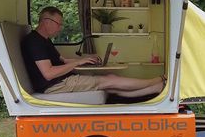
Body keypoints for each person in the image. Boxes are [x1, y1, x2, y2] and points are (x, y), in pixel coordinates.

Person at [21, 6, 166, 98]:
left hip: (62, 80)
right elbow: (49, 73)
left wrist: (86, 58)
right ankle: (157, 80)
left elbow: (63, 61)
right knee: (110, 80)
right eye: (58, 24)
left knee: (110, 81)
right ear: (46, 21)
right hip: (53, 86)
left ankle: (155, 88)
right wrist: (78, 62)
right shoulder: (34, 41)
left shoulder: (44, 40)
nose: (60, 28)